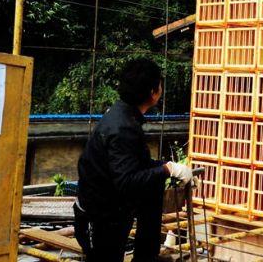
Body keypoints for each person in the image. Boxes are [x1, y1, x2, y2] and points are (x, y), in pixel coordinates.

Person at [74, 58, 193, 262]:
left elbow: (138, 165)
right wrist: (167, 170)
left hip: (107, 209)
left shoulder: (123, 115)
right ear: (153, 92)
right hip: (100, 217)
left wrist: (173, 168)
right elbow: (127, 181)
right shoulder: (123, 127)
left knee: (154, 182)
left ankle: (147, 256)